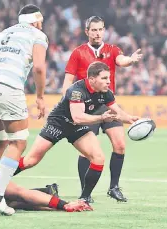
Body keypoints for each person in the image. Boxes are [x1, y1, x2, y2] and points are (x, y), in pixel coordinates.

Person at [16, 62, 140, 204]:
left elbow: (117, 112)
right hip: (59, 123)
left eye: (109, 78)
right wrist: (101, 118)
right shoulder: (76, 91)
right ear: (92, 79)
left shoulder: (106, 92)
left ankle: (84, 197)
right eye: (104, 78)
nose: (108, 81)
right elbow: (78, 117)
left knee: (98, 157)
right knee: (31, 161)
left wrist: (130, 119)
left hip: (77, 127)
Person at [0, 4, 48, 215]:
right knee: (18, 142)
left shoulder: (0, 35)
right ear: (36, 21)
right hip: (8, 87)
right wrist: (40, 97)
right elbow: (39, 67)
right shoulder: (37, 35)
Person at [61, 16, 143, 202]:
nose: (98, 33)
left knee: (120, 145)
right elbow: (68, 80)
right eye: (94, 30)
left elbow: (121, 61)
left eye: (100, 29)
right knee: (85, 152)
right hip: (85, 107)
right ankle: (86, 193)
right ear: (87, 32)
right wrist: (65, 101)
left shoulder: (112, 50)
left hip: (107, 104)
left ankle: (114, 187)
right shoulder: (78, 53)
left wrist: (131, 59)